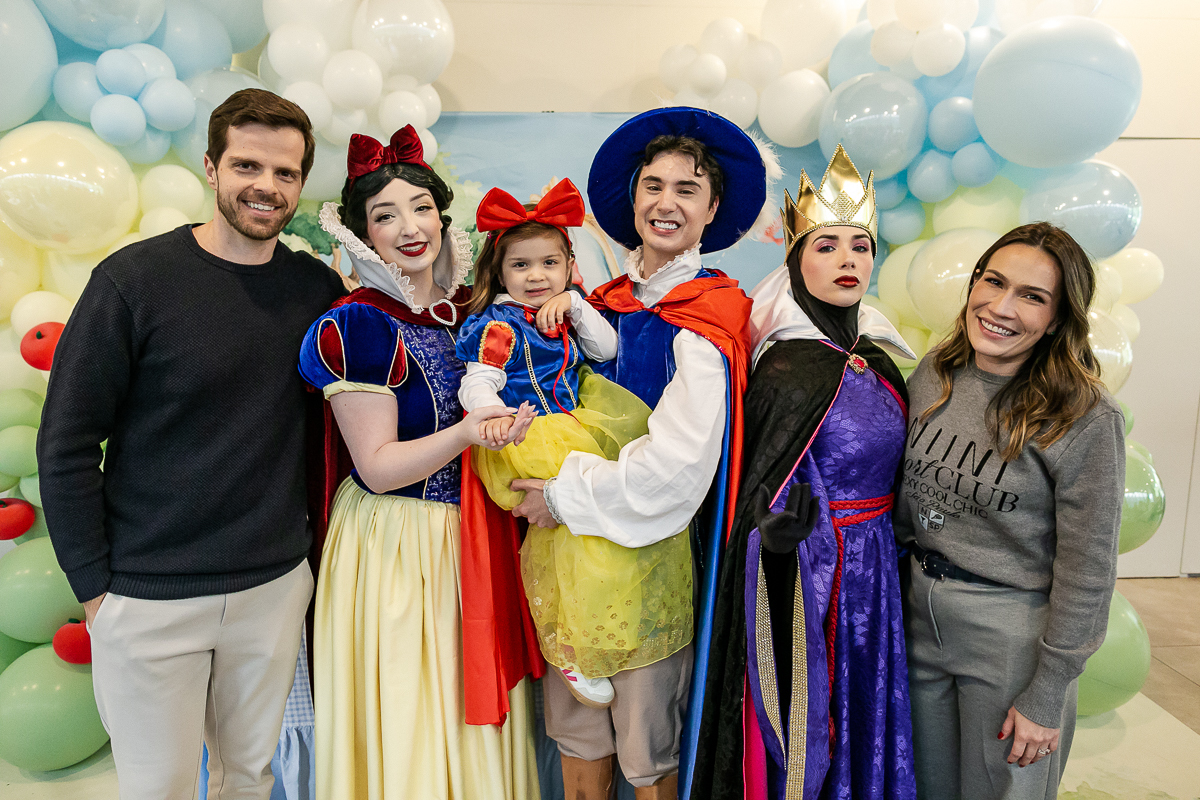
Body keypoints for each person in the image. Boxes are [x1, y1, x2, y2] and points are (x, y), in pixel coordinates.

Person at [36, 88, 345, 799]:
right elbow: (67, 442)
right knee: (160, 789)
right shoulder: (132, 283)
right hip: (148, 595)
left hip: (273, 587)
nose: (266, 186)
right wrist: (95, 591)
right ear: (211, 167)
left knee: (250, 778)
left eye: (286, 173)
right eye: (247, 166)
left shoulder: (316, 289)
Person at [508, 107, 767, 799]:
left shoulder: (709, 316)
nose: (666, 202)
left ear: (712, 208)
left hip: (652, 561)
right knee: (576, 736)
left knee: (647, 750)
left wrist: (560, 496)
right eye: (653, 185)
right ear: (633, 198)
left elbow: (678, 468)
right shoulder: (599, 304)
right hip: (570, 565)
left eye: (687, 189)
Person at [298, 125, 541, 800]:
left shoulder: (468, 314)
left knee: (475, 713)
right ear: (361, 235)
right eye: (385, 216)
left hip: (475, 538)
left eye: (421, 208)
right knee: (417, 713)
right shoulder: (358, 326)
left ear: (442, 217)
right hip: (400, 547)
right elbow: (377, 468)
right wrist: (468, 432)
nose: (410, 228)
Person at [694, 144, 920, 800]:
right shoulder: (785, 369)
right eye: (827, 246)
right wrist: (775, 539)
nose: (848, 260)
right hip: (812, 582)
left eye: (861, 247)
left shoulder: (881, 359)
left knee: (869, 719)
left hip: (877, 570)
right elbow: (753, 492)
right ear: (796, 262)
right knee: (813, 726)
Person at [894, 221, 1125, 800]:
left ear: (1058, 318)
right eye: (993, 282)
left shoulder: (1084, 416)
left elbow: (1089, 567)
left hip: (1010, 635)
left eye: (1032, 296)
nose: (1000, 307)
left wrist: (1047, 692)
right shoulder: (936, 373)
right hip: (917, 617)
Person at [458, 177, 692, 712]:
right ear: (499, 272)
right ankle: (571, 647)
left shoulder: (566, 308)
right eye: (520, 265)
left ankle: (608, 630)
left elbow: (605, 348)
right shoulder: (499, 326)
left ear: (568, 266)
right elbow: (479, 380)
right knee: (571, 547)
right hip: (528, 432)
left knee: (600, 534)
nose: (536, 276)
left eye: (549, 263)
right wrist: (490, 415)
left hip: (576, 422)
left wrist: (577, 306)